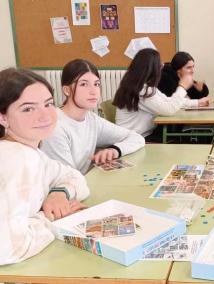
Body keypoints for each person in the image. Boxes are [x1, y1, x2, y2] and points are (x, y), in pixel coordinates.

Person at [0, 68, 90, 265]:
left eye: (48, 104)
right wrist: (52, 219)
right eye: (28, 108)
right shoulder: (16, 157)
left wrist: (58, 194)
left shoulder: (32, 152)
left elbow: (75, 177)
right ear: (3, 117)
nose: (45, 116)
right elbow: (8, 249)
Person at [41, 59, 145, 174]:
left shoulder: (91, 119)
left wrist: (115, 150)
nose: (93, 91)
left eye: (96, 84)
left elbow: (136, 138)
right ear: (67, 90)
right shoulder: (55, 127)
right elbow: (66, 178)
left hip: (82, 184)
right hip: (67, 188)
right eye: (83, 84)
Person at [113, 48, 210, 142]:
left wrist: (197, 102)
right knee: (180, 143)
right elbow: (169, 109)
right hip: (134, 139)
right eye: (159, 63)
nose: (162, 65)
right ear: (151, 68)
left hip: (142, 135)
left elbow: (168, 101)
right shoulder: (142, 90)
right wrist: (182, 87)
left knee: (179, 139)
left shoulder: (143, 86)